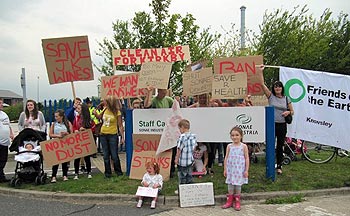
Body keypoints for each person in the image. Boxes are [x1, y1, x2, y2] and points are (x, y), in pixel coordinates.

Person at [258, 67, 294, 175]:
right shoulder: (271, 97)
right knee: (270, 145)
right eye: (275, 86)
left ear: (282, 88)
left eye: (279, 86)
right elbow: (262, 84)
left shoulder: (286, 98)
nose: (277, 88)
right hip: (271, 124)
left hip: (282, 125)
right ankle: (269, 164)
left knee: (280, 146)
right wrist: (260, 72)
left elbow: (292, 111)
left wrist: (288, 112)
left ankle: (279, 166)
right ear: (273, 88)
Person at [144, 86, 177, 178]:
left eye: (166, 91)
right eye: (163, 91)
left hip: (168, 130)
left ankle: (171, 170)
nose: (165, 93)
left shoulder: (169, 100)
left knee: (171, 148)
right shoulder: (154, 100)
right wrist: (149, 93)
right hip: (157, 129)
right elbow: (147, 106)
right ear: (159, 91)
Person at [222, 126, 249, 211]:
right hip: (231, 169)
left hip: (239, 170)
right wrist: (225, 169)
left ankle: (237, 201)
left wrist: (246, 170)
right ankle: (229, 200)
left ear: (241, 136)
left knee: (238, 185)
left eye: (237, 135)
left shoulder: (243, 146)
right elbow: (226, 157)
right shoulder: (229, 146)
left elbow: (246, 158)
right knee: (230, 185)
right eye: (233, 135)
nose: (235, 137)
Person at [99, 96, 124, 178]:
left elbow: (120, 125)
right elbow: (99, 117)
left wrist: (122, 137)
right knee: (106, 155)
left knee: (114, 155)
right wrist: (96, 113)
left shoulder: (117, 112)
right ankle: (107, 173)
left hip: (112, 135)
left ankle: (118, 172)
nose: (104, 102)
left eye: (105, 101)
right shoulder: (105, 109)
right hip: (103, 134)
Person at [49, 109, 73, 183]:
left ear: (61, 117)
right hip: (56, 143)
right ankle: (53, 176)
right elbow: (50, 134)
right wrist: (58, 136)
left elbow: (71, 134)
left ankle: (65, 175)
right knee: (56, 161)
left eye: (57, 116)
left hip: (65, 143)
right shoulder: (54, 124)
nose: (55, 118)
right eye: (55, 116)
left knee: (64, 161)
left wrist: (66, 133)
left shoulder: (68, 123)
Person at [72, 103, 93, 180]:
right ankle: (76, 173)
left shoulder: (88, 119)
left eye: (79, 109)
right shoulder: (76, 118)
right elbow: (74, 127)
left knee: (87, 157)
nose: (77, 110)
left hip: (85, 139)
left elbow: (92, 128)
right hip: (78, 139)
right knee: (77, 157)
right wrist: (75, 130)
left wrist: (85, 129)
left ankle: (89, 171)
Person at [174, 119, 197, 186]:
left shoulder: (182, 137)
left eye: (179, 128)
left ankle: (181, 189)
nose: (179, 130)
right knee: (189, 175)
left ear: (182, 127)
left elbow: (179, 149)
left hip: (182, 161)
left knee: (182, 176)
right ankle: (189, 189)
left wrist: (176, 159)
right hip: (190, 160)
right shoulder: (193, 136)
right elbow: (195, 147)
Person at [0, 98, 14, 182]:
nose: (1, 105)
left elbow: (8, 125)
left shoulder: (4, 114)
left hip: (5, 142)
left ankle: (1, 177)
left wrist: (11, 134)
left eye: (1, 103)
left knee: (3, 160)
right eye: (0, 103)